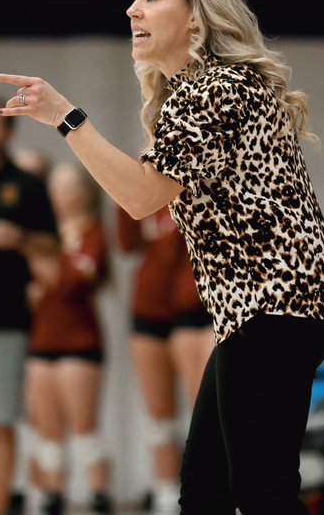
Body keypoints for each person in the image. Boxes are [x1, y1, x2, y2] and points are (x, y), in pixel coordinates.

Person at [0, 0, 324, 514]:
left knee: (261, 490)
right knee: (207, 491)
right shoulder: (203, 89)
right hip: (270, 310)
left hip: (277, 305)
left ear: (196, 15)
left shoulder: (214, 88)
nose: (133, 10)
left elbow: (141, 196)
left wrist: (65, 116)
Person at [0, 96, 60, 515]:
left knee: (0, 418)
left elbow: (52, 246)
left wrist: (16, 237)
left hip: (4, 319)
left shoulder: (26, 185)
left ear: (8, 132)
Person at [24, 163, 112, 515]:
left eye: (67, 187)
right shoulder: (42, 234)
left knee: (83, 425)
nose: (60, 195)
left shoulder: (93, 234)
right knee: (48, 430)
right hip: (42, 340)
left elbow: (72, 283)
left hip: (80, 342)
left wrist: (48, 274)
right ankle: (52, 494)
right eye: (55, 187)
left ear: (84, 193)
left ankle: (99, 494)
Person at [116, 205, 213, 515]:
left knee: (205, 409)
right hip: (151, 307)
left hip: (194, 306)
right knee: (159, 416)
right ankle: (166, 491)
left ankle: (209, 489)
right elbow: (127, 244)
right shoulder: (144, 195)